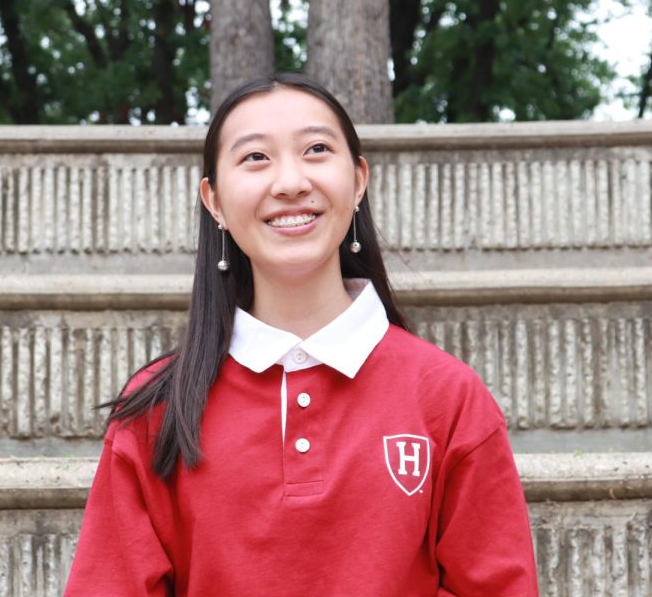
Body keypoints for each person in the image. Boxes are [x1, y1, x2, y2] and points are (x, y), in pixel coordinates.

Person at [65, 73, 538, 596]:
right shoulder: (158, 408)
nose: (290, 182)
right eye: (255, 158)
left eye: (316, 149)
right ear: (214, 200)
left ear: (358, 180)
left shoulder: (447, 396)